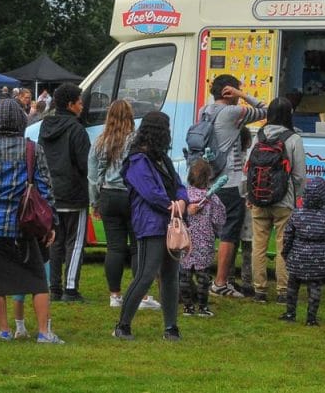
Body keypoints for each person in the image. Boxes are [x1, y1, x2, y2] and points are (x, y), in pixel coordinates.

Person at [0, 99, 64, 344]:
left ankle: (4, 331)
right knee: (38, 280)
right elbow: (45, 188)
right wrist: (51, 223)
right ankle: (44, 332)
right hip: (25, 223)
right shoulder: (32, 149)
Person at [113, 111, 188, 342]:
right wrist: (173, 204)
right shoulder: (138, 160)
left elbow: (178, 184)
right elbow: (150, 192)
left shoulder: (161, 159)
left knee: (170, 275)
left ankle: (171, 327)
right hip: (150, 224)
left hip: (170, 221)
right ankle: (122, 325)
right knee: (145, 275)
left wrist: (182, 200)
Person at [87, 100, 159, 309]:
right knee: (137, 247)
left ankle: (115, 295)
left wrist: (95, 202)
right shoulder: (136, 140)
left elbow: (92, 176)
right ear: (130, 116)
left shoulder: (100, 141)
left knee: (114, 247)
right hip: (132, 195)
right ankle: (141, 296)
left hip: (108, 195)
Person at [202, 74, 267, 299]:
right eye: (236, 91)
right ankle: (220, 283)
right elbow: (266, 110)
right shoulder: (232, 112)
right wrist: (242, 94)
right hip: (230, 182)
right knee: (229, 234)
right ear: (229, 92)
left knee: (207, 231)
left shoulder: (204, 111)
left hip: (209, 180)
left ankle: (201, 277)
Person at [250, 97, 306, 304]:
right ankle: (283, 291)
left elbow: (249, 167)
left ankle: (260, 291)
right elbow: (299, 175)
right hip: (284, 200)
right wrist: (296, 196)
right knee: (284, 246)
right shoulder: (294, 139)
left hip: (258, 198)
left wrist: (249, 195)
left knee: (259, 245)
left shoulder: (259, 136)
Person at [39, 83, 91, 302]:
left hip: (51, 193)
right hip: (73, 192)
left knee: (56, 241)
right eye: (79, 102)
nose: (82, 106)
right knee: (75, 242)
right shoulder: (77, 130)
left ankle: (55, 287)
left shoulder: (45, 127)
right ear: (70, 105)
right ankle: (70, 289)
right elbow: (85, 163)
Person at [279, 177, 325, 326]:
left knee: (292, 286)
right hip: (320, 260)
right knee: (315, 287)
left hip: (297, 257)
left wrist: (286, 253)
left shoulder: (297, 214)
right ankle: (311, 319)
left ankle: (290, 313)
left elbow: (288, 236)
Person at [180, 160, 226, 317]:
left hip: (185, 241)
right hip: (204, 242)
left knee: (185, 276)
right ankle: (202, 307)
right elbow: (219, 219)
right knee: (203, 277)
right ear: (208, 177)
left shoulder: (184, 195)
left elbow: (178, 214)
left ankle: (187, 307)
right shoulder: (212, 198)